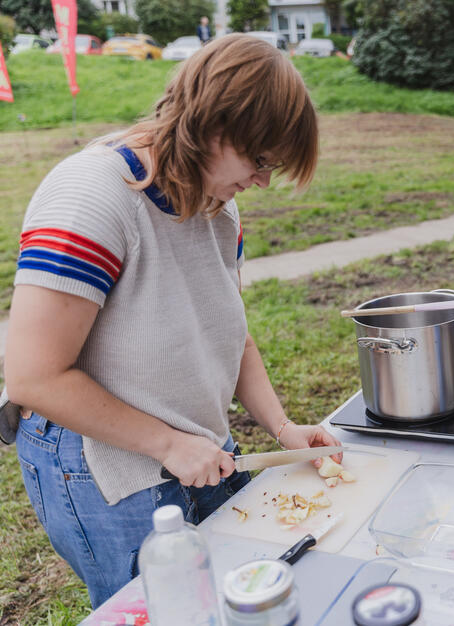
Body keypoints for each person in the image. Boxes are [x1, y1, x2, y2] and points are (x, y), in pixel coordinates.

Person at [5, 34, 342, 608]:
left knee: (224, 599)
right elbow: (34, 378)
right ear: (212, 125)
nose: (263, 180)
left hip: (192, 443)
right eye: (260, 160)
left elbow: (229, 334)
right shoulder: (91, 197)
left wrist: (282, 429)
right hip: (102, 464)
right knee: (159, 609)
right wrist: (169, 444)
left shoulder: (218, 204)